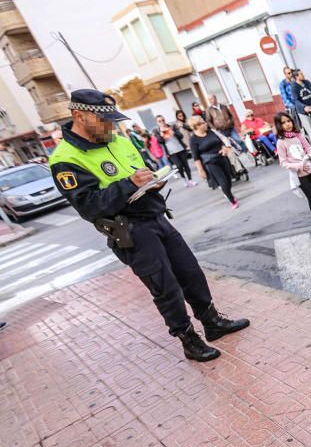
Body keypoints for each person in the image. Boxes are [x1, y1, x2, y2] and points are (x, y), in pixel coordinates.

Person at [47, 89, 248, 361]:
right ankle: (188, 339)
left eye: (113, 121)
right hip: (128, 230)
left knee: (190, 272)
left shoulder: (118, 139)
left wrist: (154, 181)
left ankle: (212, 322)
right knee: (164, 287)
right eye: (103, 121)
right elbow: (89, 205)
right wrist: (130, 184)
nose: (111, 127)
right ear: (79, 116)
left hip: (155, 215)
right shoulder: (65, 159)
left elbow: (143, 172)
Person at [275, 111, 311, 233]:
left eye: (288, 121)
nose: (287, 124)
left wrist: (310, 155)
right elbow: (283, 162)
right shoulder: (281, 142)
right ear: (279, 126)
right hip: (300, 175)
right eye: (283, 123)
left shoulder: (298, 135)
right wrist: (299, 166)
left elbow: (307, 148)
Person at [188, 115, 239, 209]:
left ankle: (228, 193)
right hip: (211, 162)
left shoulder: (211, 132)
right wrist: (200, 170)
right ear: (197, 126)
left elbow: (221, 142)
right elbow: (196, 157)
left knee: (228, 180)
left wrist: (224, 149)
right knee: (222, 182)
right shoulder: (193, 140)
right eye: (203, 123)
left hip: (222, 158)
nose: (206, 124)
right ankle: (232, 200)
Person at [155, 114, 194, 187]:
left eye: (163, 120)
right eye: (159, 121)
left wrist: (174, 133)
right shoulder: (157, 131)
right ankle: (184, 179)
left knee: (186, 165)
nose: (162, 122)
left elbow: (181, 136)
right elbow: (160, 141)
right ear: (157, 123)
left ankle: (190, 180)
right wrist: (161, 136)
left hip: (180, 148)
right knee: (179, 166)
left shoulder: (171, 126)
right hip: (171, 152)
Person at [291, 69, 311, 150]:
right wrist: (304, 107)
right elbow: (296, 100)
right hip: (303, 112)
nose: (303, 75)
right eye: (301, 74)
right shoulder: (294, 87)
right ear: (296, 77)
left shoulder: (307, 82)